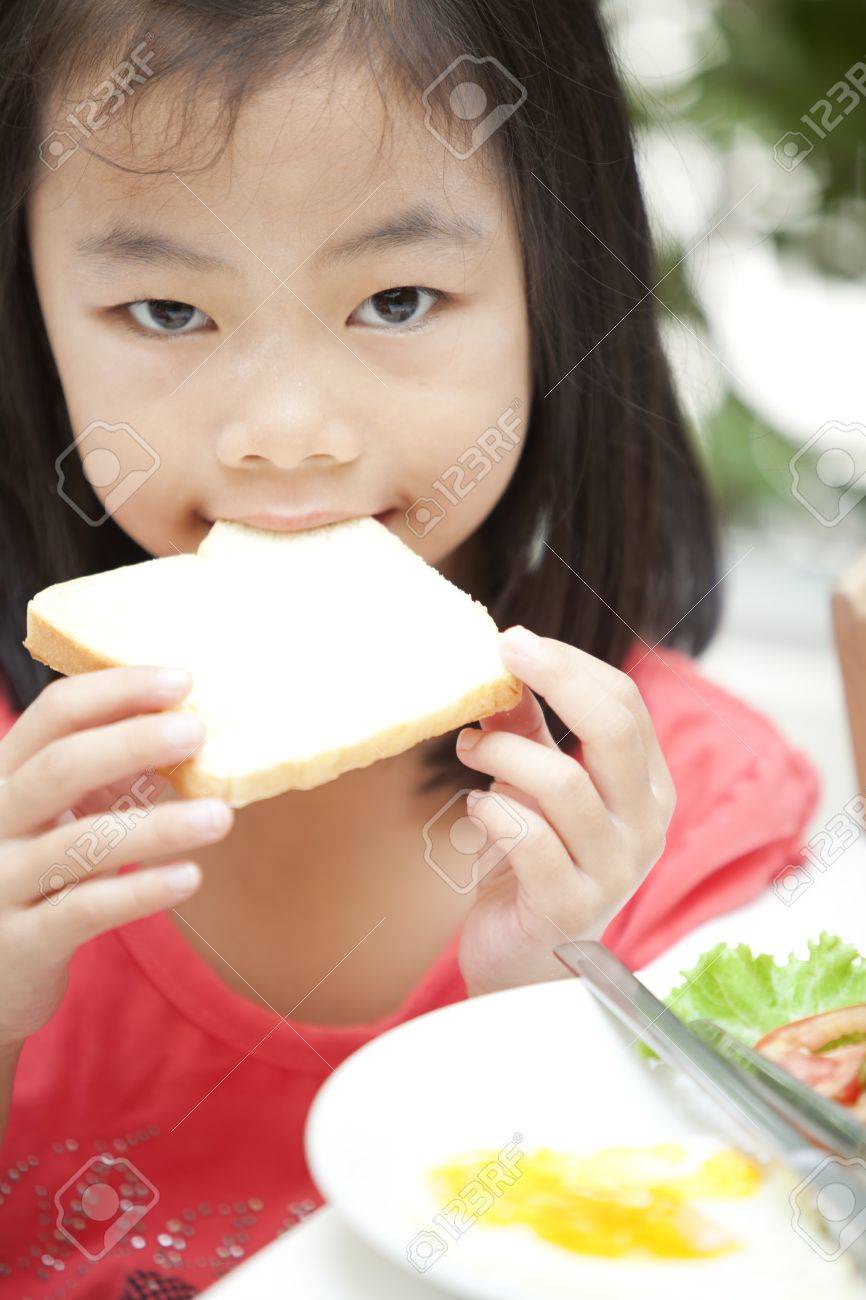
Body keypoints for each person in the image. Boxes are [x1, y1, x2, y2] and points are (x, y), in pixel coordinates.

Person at [0, 1, 817, 1292]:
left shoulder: (687, 820)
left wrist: (546, 1020)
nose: (284, 430)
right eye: (164, 311)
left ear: (559, 285)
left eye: (394, 299)